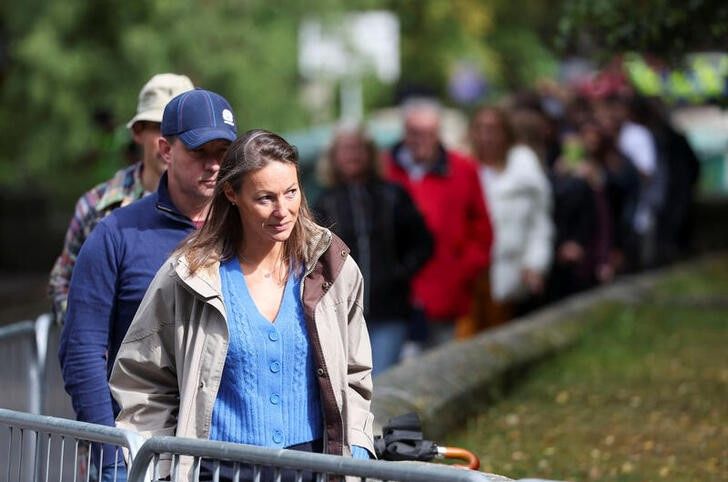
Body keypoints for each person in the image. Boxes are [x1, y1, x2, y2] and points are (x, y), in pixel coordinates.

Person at [109, 130, 375, 481]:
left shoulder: (332, 268)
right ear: (232, 193)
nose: (283, 210)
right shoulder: (189, 276)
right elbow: (142, 381)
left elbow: (355, 373)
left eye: (291, 192)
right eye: (265, 198)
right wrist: (161, 468)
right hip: (216, 469)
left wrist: (354, 445)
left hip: (315, 467)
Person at [59, 88, 237, 481]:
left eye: (223, 153)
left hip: (231, 454)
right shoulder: (114, 235)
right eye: (200, 152)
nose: (213, 166)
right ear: (165, 150)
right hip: (141, 453)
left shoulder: (251, 230)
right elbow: (82, 352)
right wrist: (112, 457)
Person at [48, 73, 194, 324]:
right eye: (160, 127)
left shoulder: (219, 205)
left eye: (182, 129)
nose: (171, 141)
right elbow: (63, 282)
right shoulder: (98, 206)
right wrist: (88, 340)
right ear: (138, 132)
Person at [314, 123, 433, 375]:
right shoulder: (324, 203)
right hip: (343, 315)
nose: (353, 155)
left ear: (370, 154)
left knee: (380, 378)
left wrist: (399, 273)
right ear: (334, 157)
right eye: (345, 149)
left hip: (389, 311)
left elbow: (423, 243)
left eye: (359, 148)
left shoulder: (393, 195)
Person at [384, 98, 492, 348]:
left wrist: (462, 270)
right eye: (414, 133)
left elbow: (483, 229)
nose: (421, 140)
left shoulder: (463, 169)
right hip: (394, 299)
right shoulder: (384, 169)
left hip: (447, 295)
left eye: (428, 133)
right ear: (404, 133)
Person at [458, 106, 553, 336]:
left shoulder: (524, 171)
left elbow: (539, 224)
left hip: (510, 274)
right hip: (469, 277)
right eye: (480, 129)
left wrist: (535, 263)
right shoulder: (460, 170)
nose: (486, 137)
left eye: (492, 130)